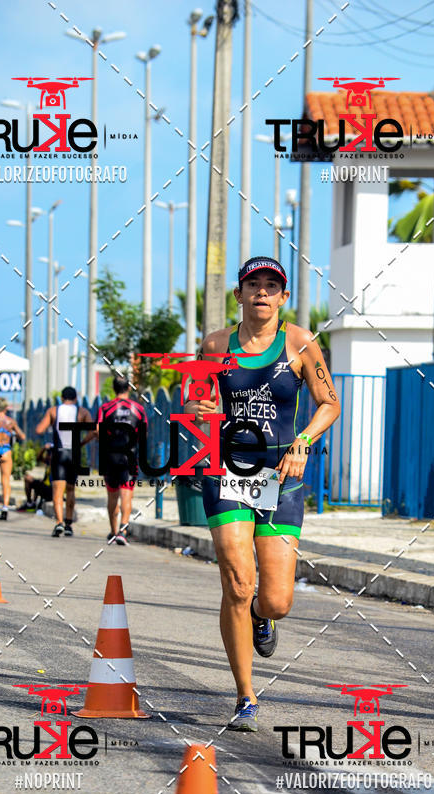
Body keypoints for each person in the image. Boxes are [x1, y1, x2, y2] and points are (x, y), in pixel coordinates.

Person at [185, 256, 340, 732]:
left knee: (276, 600)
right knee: (236, 580)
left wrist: (303, 442)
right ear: (239, 295)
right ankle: (245, 696)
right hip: (227, 471)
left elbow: (329, 403)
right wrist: (198, 406)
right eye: (254, 284)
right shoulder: (215, 345)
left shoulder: (300, 344)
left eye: (273, 286)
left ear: (284, 297)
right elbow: (193, 400)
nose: (263, 293)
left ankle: (261, 615)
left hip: (282, 476)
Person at [35, 386, 93, 537]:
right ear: (75, 399)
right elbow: (95, 430)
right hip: (74, 453)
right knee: (71, 489)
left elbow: (39, 430)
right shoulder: (82, 412)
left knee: (58, 491)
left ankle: (59, 522)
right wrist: (82, 443)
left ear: (62, 398)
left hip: (59, 453)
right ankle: (68, 524)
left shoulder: (54, 410)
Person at [97, 375, 147, 546]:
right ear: (128, 387)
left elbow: (98, 431)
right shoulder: (138, 408)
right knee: (127, 495)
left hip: (110, 456)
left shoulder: (106, 408)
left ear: (113, 388)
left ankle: (112, 531)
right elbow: (144, 433)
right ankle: (123, 532)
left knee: (112, 496)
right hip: (130, 455)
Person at [0, 398, 26, 520]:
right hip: (6, 451)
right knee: (6, 480)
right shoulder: (11, 422)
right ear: (5, 408)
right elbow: (22, 436)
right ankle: (5, 506)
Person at [17, 443, 53, 513]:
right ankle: (32, 503)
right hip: (46, 488)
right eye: (48, 454)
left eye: (49, 454)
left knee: (29, 479)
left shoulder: (56, 463)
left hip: (51, 491)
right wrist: (44, 449)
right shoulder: (49, 462)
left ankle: (30, 504)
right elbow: (38, 458)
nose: (48, 456)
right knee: (37, 481)